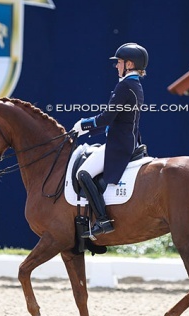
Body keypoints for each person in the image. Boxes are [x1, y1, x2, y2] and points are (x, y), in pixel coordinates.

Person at [71, 42, 148, 239]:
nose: (116, 66)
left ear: (129, 64)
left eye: (119, 62)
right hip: (127, 140)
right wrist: (84, 132)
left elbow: (106, 117)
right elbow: (112, 121)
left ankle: (103, 220)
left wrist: (84, 124)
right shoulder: (135, 85)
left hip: (119, 145)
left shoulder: (125, 86)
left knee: (83, 173)